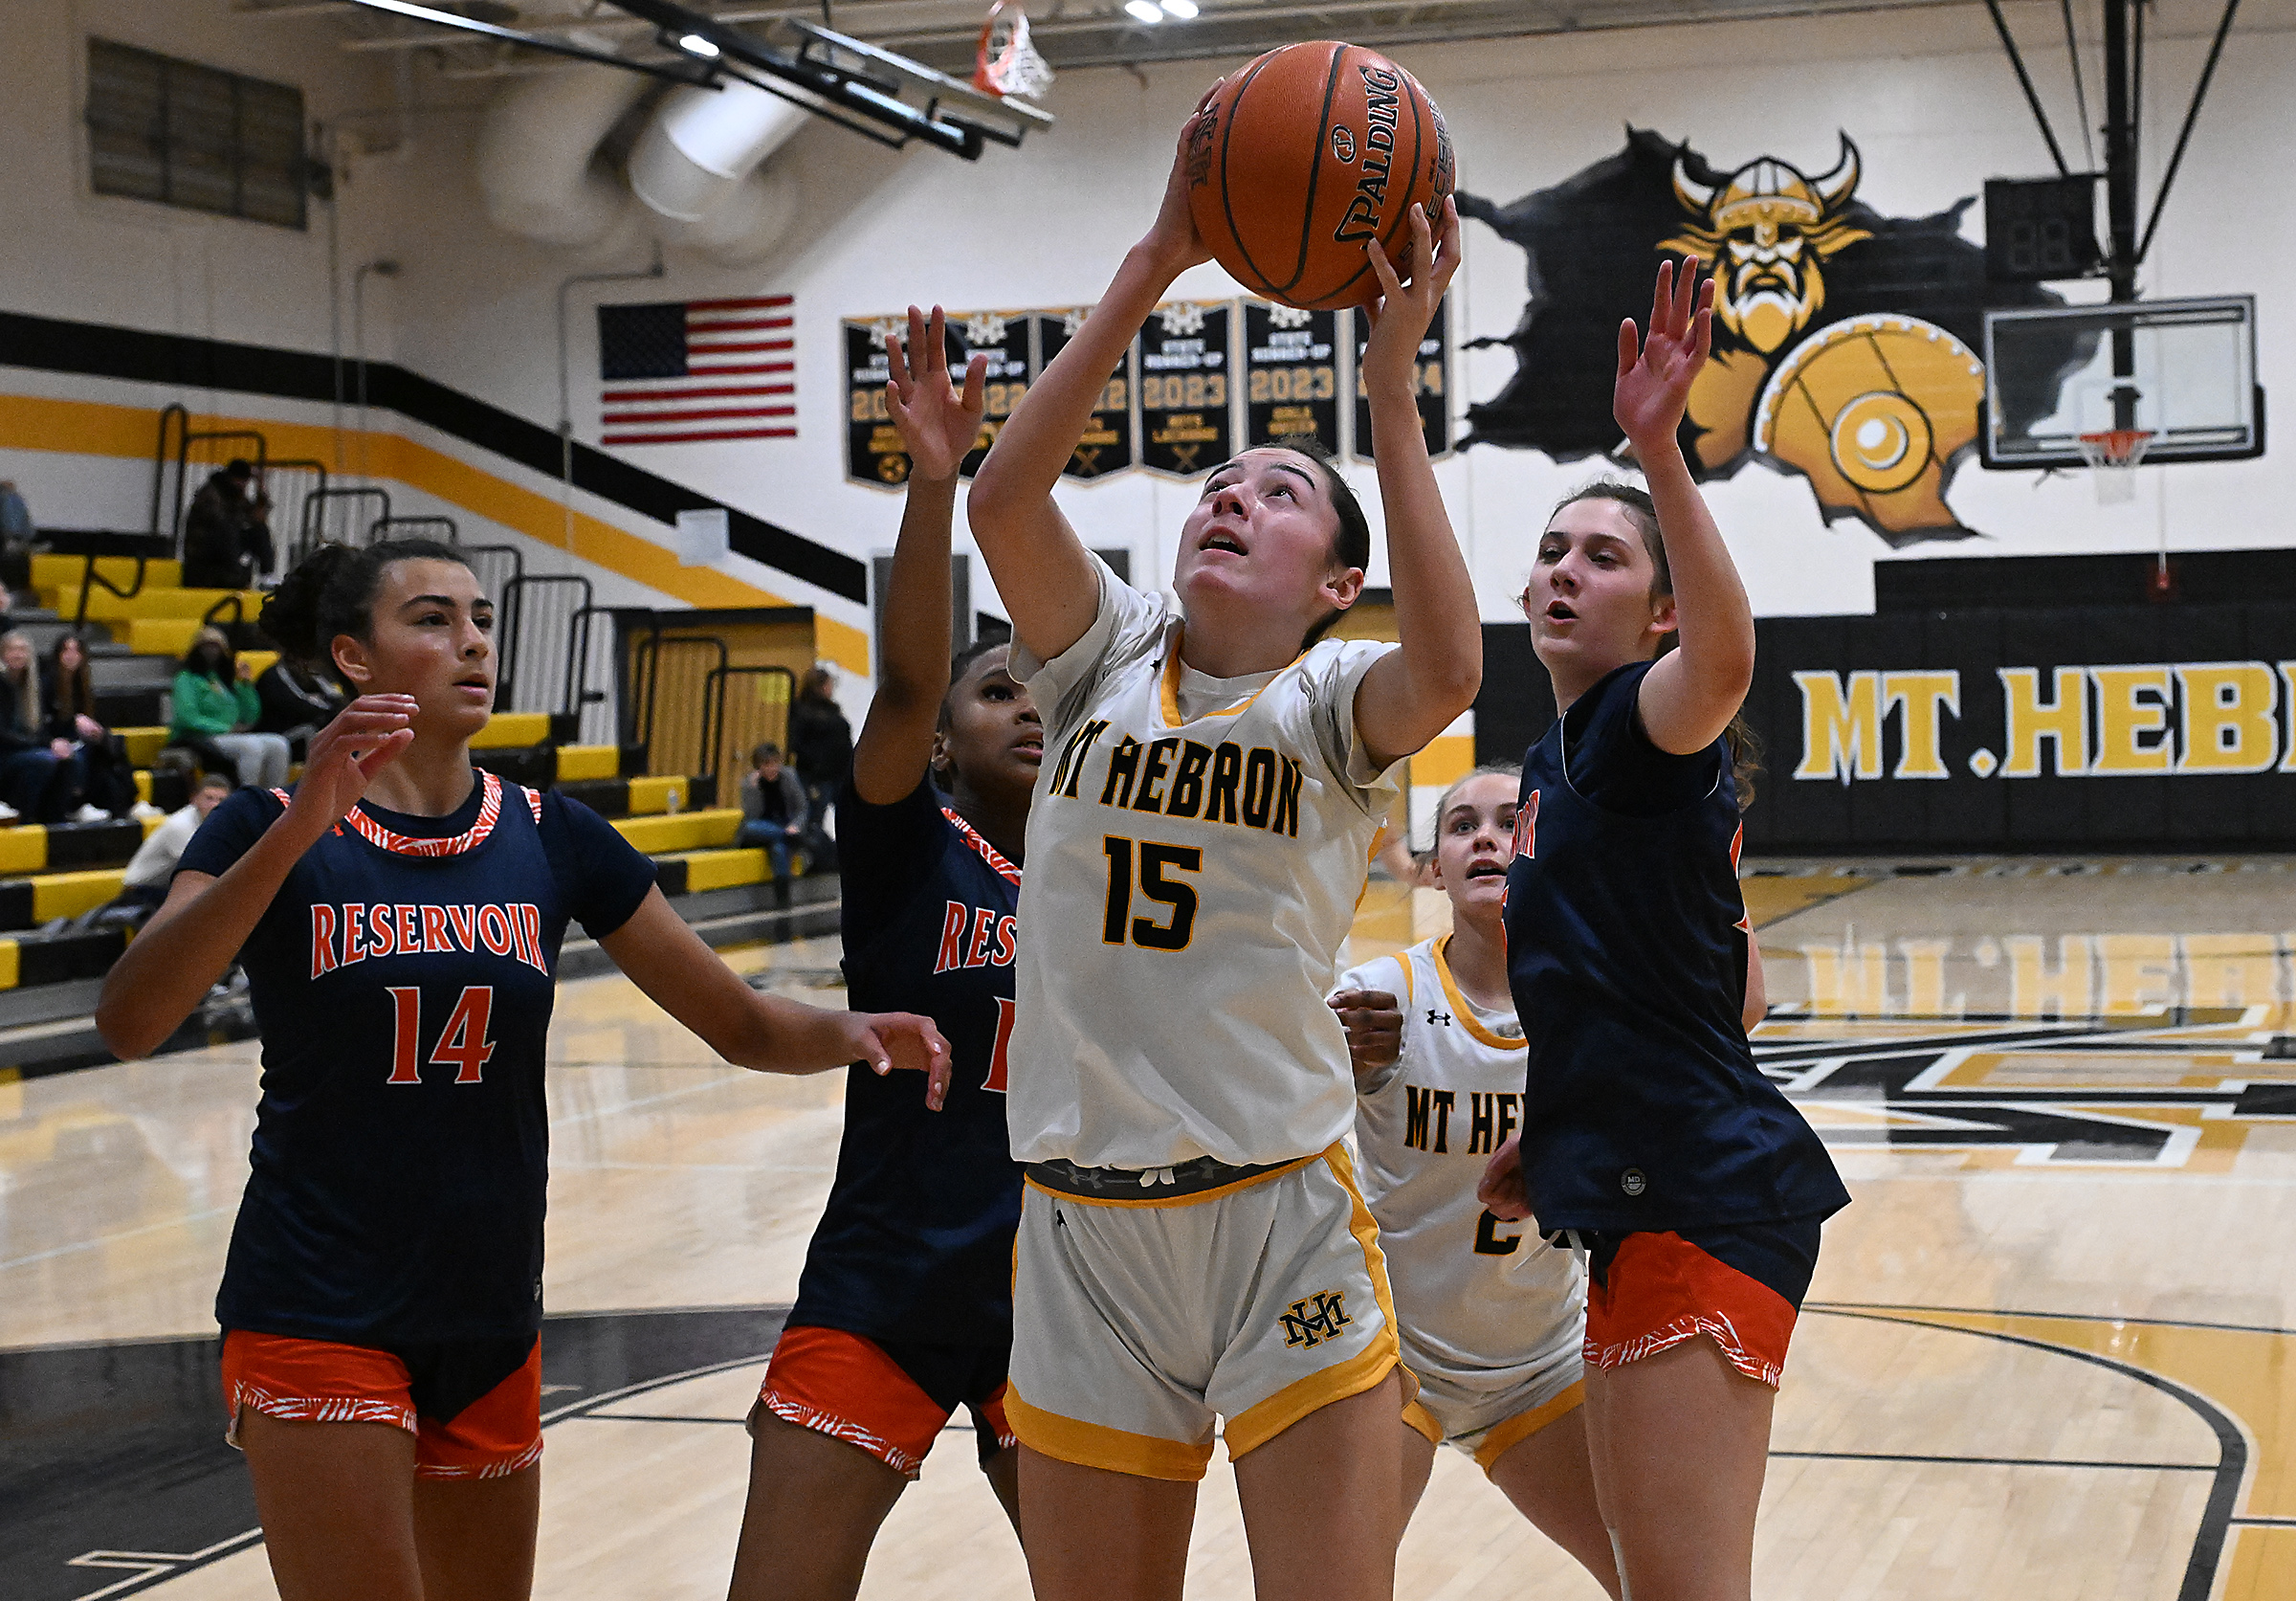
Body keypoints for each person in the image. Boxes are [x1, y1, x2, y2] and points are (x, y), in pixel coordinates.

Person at [93, 536, 949, 1601]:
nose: (473, 642)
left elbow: (739, 1021)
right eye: (434, 619)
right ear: (354, 658)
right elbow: (132, 1017)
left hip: (491, 1306)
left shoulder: (554, 834)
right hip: (316, 1302)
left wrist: (859, 1029)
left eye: (483, 618)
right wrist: (303, 820)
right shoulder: (262, 824)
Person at [964, 105, 1480, 1601]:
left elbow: (1447, 670)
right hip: (1079, 1224)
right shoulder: (1101, 653)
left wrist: (1391, 397)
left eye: (1276, 493)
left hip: (1280, 1214)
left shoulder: (1330, 700)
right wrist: (1156, 262)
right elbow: (1002, 499)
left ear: (1337, 581)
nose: (1229, 497)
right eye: (1217, 484)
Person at [1477, 258, 1849, 1601]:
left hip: (1703, 1194)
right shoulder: (1550, 763)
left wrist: (1660, 452)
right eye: (1553, 550)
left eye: (1605, 554)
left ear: (1661, 609)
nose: (1566, 570)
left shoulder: (1643, 727)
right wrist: (1574, 1114)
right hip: (1645, 1184)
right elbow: (1729, 977)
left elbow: (1734, 661)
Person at [727, 307, 1036, 1601]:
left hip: (1070, 1294)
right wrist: (934, 486)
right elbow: (904, 684)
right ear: (951, 741)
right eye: (994, 689)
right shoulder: (912, 853)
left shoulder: (1134, 879)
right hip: (886, 1274)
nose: (1022, 701)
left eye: (1041, 686)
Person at [1329, 767, 1619, 1595]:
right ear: (1433, 868)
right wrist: (1331, 1055)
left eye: (1506, 821)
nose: (1485, 837)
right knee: (1328, 1580)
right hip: (1393, 1358)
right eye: (1461, 825)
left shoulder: (1595, 1002)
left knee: (1650, 1568)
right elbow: (1268, 1086)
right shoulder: (1383, 995)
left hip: (1540, 1360)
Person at [85, 770, 235, 928]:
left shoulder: (219, 824)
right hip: (142, 892)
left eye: (221, 800)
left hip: (168, 887)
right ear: (194, 799)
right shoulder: (180, 826)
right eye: (209, 798)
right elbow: (203, 870)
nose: (214, 805)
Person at [169, 627, 291, 790]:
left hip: (230, 735)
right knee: (251, 747)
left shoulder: (226, 680)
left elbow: (250, 716)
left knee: (279, 743)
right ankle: (247, 796)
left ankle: (273, 797)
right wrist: (225, 729)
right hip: (198, 737)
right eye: (206, 646)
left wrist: (246, 686)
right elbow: (187, 716)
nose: (212, 652)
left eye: (216, 647)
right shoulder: (186, 679)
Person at [47, 633, 138, 820]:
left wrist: (97, 731)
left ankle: (128, 801)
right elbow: (48, 722)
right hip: (57, 739)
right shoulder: (47, 682)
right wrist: (74, 723)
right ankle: (74, 806)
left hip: (77, 738)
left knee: (113, 745)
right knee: (82, 755)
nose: (71, 655)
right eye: (66, 650)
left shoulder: (82, 685)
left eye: (76, 650)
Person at [0, 629, 77, 823]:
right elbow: (3, 734)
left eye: (22, 650)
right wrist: (40, 745)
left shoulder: (33, 687)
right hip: (5, 752)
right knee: (44, 760)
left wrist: (53, 742)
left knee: (66, 757)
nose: (18, 654)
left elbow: (40, 728)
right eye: (12, 650)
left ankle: (56, 820)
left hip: (26, 748)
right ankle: (23, 817)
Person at [786, 664, 852, 868]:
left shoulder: (832, 709)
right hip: (817, 776)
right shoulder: (803, 711)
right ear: (819, 686)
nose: (831, 689)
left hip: (839, 774)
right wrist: (816, 764)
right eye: (829, 685)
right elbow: (797, 744)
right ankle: (818, 860)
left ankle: (847, 858)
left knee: (849, 818)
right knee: (815, 818)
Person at [183, 459, 276, 589]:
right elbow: (219, 521)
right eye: (241, 481)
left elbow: (256, 517)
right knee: (227, 530)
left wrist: (261, 487)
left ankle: (267, 575)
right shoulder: (211, 492)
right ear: (231, 478)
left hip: (225, 544)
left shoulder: (235, 495)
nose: (243, 486)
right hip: (203, 547)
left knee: (259, 530)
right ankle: (235, 574)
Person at [736, 741, 809, 899]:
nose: (771, 769)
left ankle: (782, 894)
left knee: (778, 848)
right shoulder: (750, 783)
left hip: (783, 825)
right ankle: (791, 838)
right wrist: (753, 790)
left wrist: (795, 826)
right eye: (766, 764)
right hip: (760, 829)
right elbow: (751, 815)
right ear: (758, 766)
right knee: (751, 827)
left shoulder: (789, 777)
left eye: (775, 763)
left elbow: (802, 808)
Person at [254, 650, 349, 761]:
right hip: (280, 731)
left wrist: (338, 709)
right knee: (312, 729)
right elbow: (297, 706)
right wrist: (328, 709)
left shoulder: (309, 674)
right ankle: (317, 771)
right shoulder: (274, 675)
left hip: (304, 724)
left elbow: (334, 696)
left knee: (344, 721)